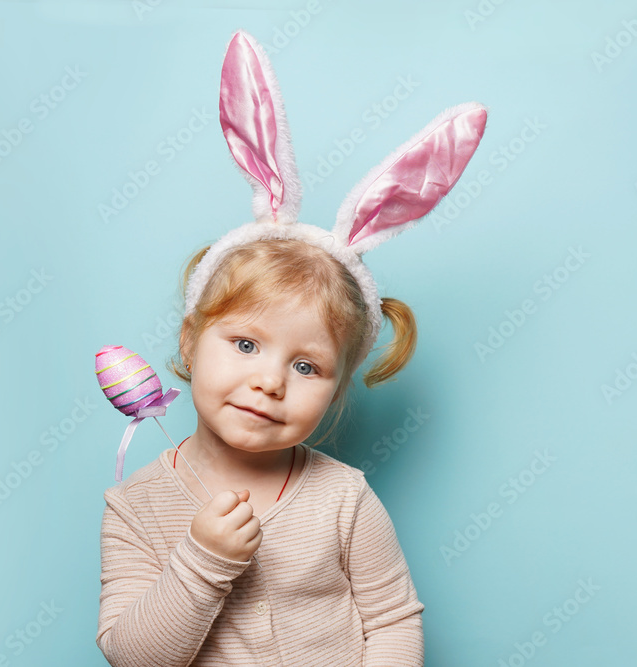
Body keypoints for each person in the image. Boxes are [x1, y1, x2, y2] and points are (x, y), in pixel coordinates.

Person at [95, 28, 487, 666]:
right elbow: (134, 658)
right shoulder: (136, 506)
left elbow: (391, 624)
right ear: (191, 341)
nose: (271, 381)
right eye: (246, 343)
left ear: (337, 385)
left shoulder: (343, 498)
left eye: (306, 365)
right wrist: (202, 559)